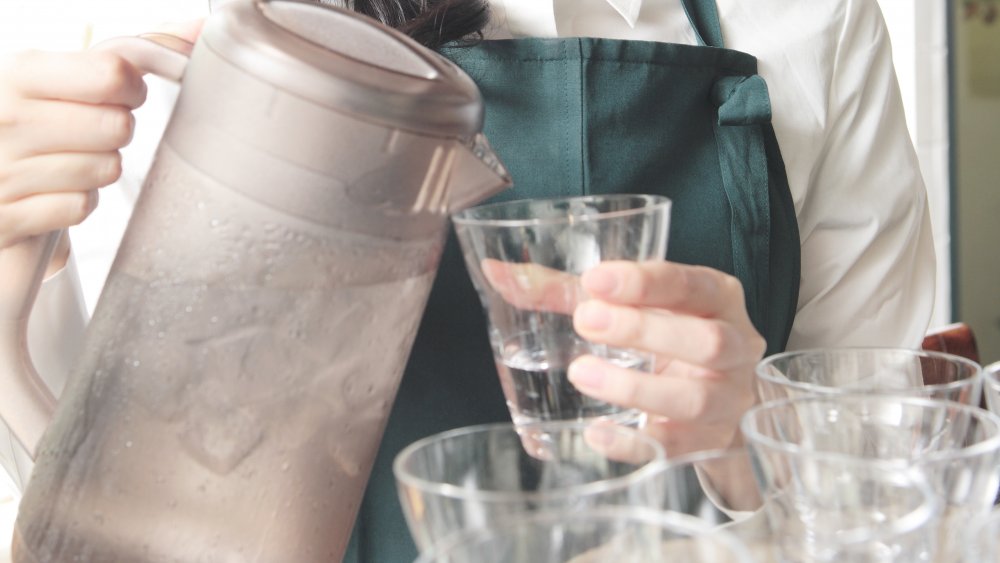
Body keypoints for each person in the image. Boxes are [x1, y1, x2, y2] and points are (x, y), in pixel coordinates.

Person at [0, 0, 934, 560]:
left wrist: (758, 451)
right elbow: (102, 514)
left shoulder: (811, 19)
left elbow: (906, 506)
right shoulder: (195, 30)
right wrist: (13, 260)